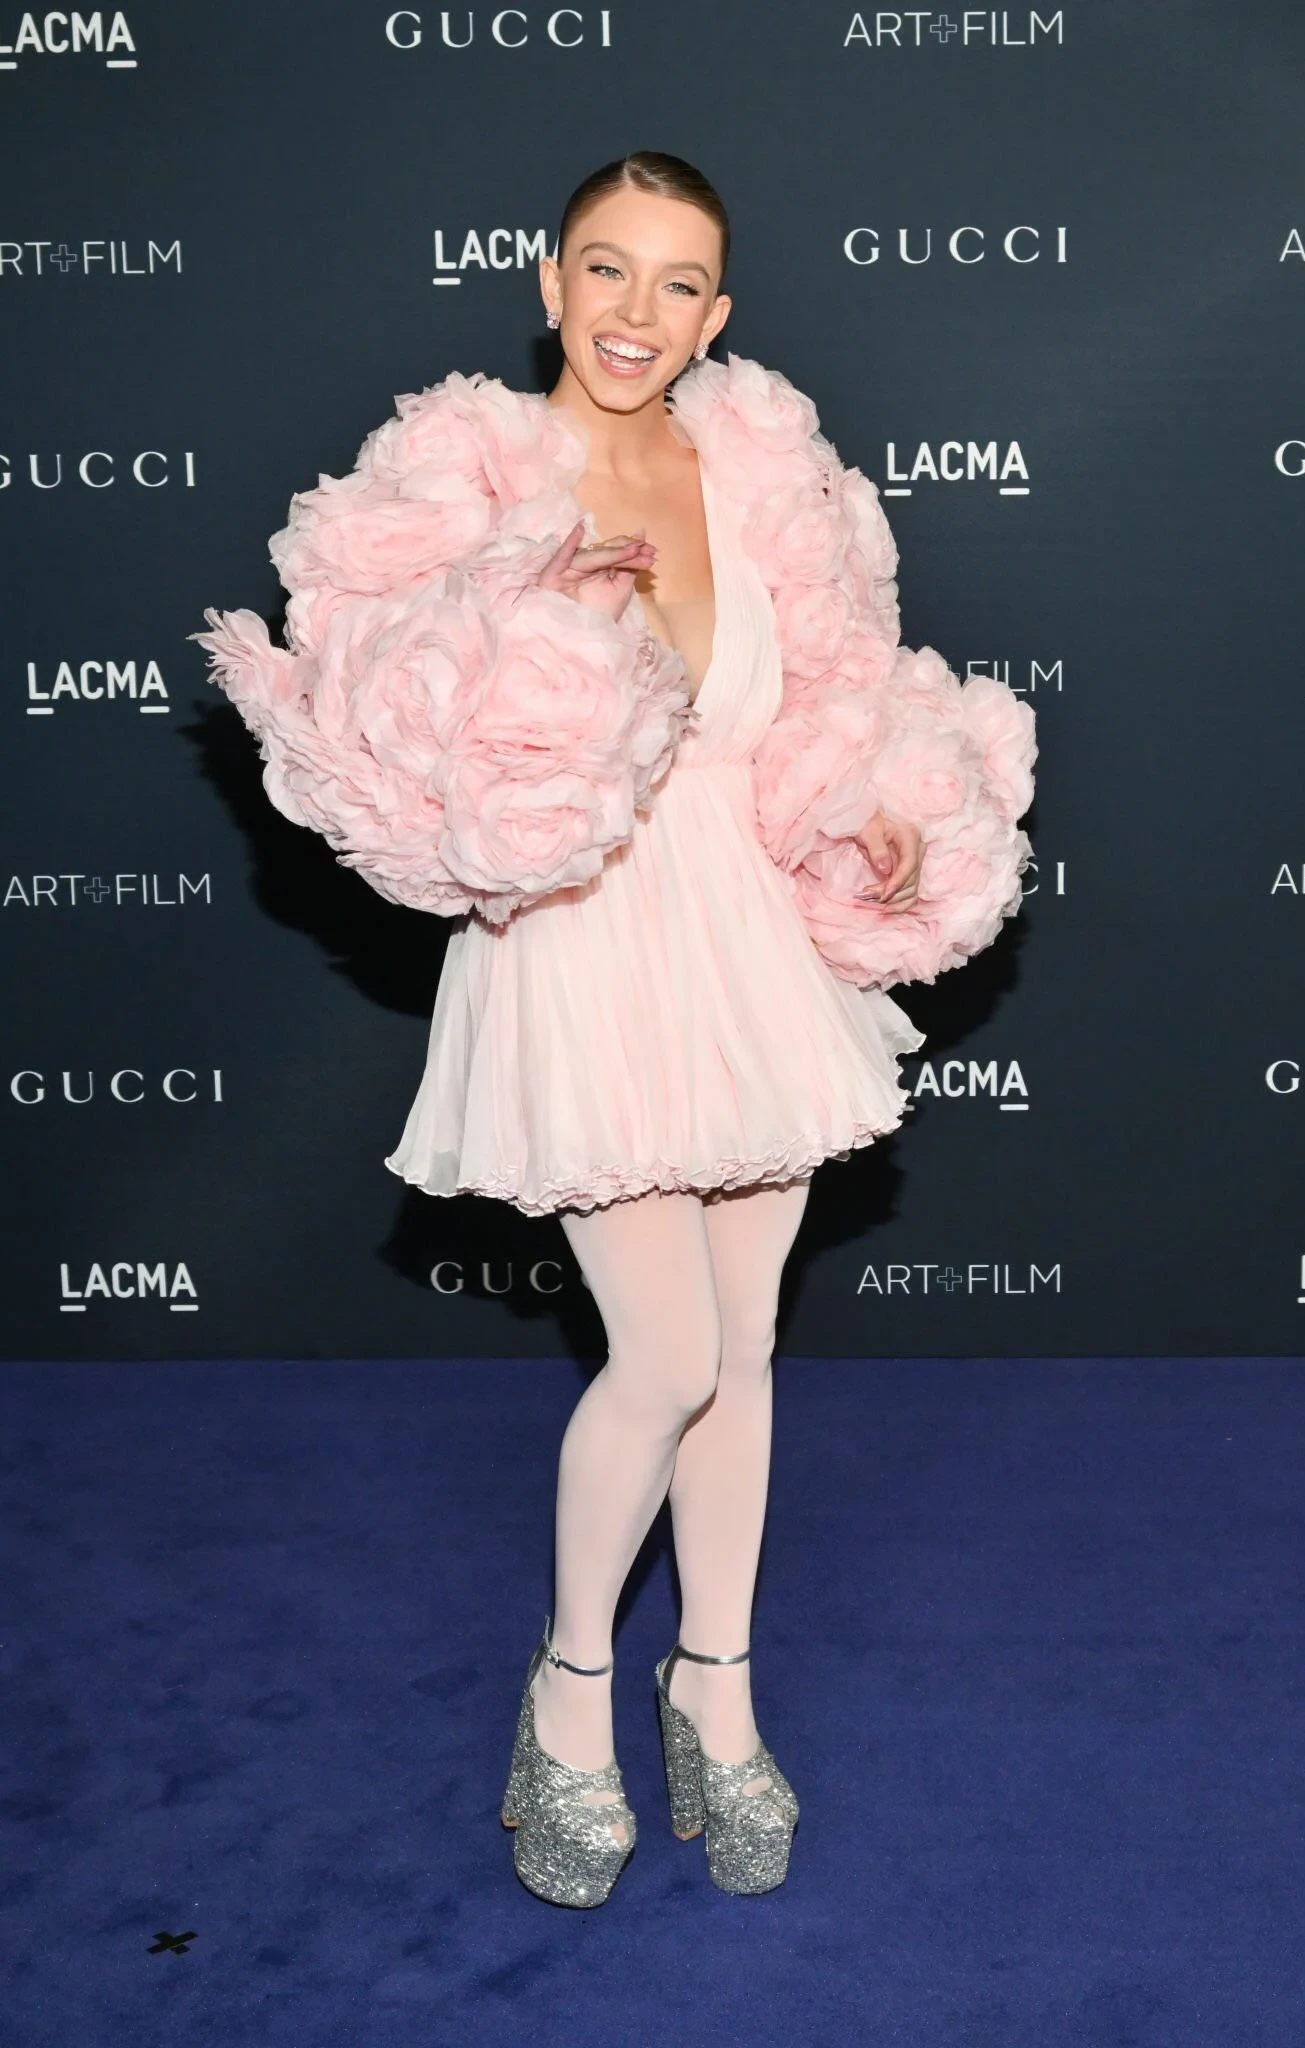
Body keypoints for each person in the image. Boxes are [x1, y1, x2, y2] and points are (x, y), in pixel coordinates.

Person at [195, 151, 1035, 1909]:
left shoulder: (762, 474)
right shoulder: (466, 480)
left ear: (717, 314)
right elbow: (378, 747)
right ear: (549, 282)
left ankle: (713, 1687)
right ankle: (570, 1692)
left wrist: (870, 804)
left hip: (743, 935)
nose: (635, 312)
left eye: (676, 282)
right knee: (663, 1357)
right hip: (577, 929)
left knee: (746, 1347)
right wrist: (542, 637)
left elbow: (817, 700)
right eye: (606, 267)